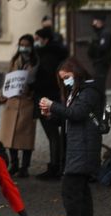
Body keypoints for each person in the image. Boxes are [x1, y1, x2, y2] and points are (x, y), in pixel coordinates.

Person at [39, 57, 102, 216]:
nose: (65, 81)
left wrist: (53, 105)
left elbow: (77, 114)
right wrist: (51, 113)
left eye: (67, 76)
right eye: (62, 78)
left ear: (77, 73)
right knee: (81, 188)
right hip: (78, 145)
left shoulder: (89, 91)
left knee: (70, 186)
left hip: (84, 146)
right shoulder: (76, 92)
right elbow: (68, 118)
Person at [0, 34, 38, 177]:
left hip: (27, 103)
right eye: (21, 44)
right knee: (9, 137)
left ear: (31, 46)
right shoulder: (15, 60)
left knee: (26, 138)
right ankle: (14, 164)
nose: (24, 47)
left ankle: (24, 167)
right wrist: (2, 94)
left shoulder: (36, 62)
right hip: (12, 102)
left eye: (27, 45)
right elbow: (7, 79)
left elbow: (38, 81)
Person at [32, 27, 69, 180]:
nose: (36, 42)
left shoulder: (47, 56)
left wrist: (31, 84)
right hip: (58, 98)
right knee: (58, 135)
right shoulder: (58, 53)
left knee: (53, 135)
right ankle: (60, 165)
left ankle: (56, 167)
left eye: (37, 39)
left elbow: (44, 80)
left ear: (45, 39)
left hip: (46, 99)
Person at [87, 12, 111, 101]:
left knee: (100, 85)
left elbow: (103, 48)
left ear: (100, 22)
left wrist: (94, 45)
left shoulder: (105, 33)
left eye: (95, 21)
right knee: (98, 84)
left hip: (102, 63)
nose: (93, 23)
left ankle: (101, 104)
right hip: (97, 62)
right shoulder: (98, 33)